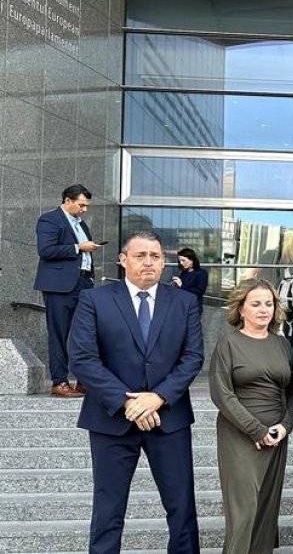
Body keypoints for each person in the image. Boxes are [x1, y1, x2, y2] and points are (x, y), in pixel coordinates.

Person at [67, 231, 205, 553]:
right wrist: (127, 402)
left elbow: (193, 357)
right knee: (108, 512)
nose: (148, 262)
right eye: (140, 255)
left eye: (155, 256)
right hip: (111, 421)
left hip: (169, 420)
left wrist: (157, 397)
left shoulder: (184, 302)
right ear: (123, 260)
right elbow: (83, 358)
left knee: (182, 510)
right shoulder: (94, 300)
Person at [209, 279, 293, 554]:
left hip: (277, 436)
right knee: (243, 514)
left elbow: (292, 390)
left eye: (269, 304)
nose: (264, 310)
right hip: (240, 436)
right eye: (256, 304)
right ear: (241, 308)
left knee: (266, 511)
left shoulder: (282, 344)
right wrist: (257, 430)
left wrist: (285, 426)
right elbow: (221, 394)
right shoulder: (229, 343)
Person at [35, 184, 101, 397]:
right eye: (81, 205)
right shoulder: (49, 220)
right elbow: (46, 250)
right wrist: (78, 247)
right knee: (59, 334)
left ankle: (83, 381)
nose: (84, 209)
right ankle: (60, 382)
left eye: (86, 206)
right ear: (67, 201)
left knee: (86, 334)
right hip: (59, 287)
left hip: (84, 284)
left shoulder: (81, 225)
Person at [170, 248, 209, 314]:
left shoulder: (201, 273)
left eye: (183, 260)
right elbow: (181, 289)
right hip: (182, 305)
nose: (181, 263)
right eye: (180, 261)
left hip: (194, 307)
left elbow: (200, 291)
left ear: (191, 260)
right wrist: (175, 285)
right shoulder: (184, 273)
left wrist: (181, 285)